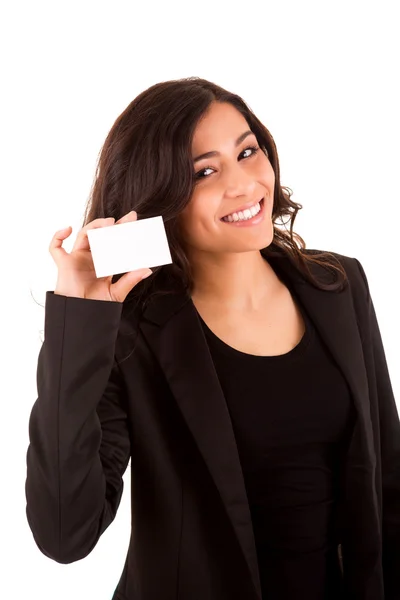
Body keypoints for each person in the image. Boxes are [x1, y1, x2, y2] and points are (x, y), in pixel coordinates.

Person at [25, 77, 399, 600]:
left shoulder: (337, 285)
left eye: (248, 151)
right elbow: (66, 532)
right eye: (205, 171)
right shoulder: (130, 333)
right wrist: (80, 323)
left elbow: (386, 483)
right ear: (161, 199)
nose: (244, 183)